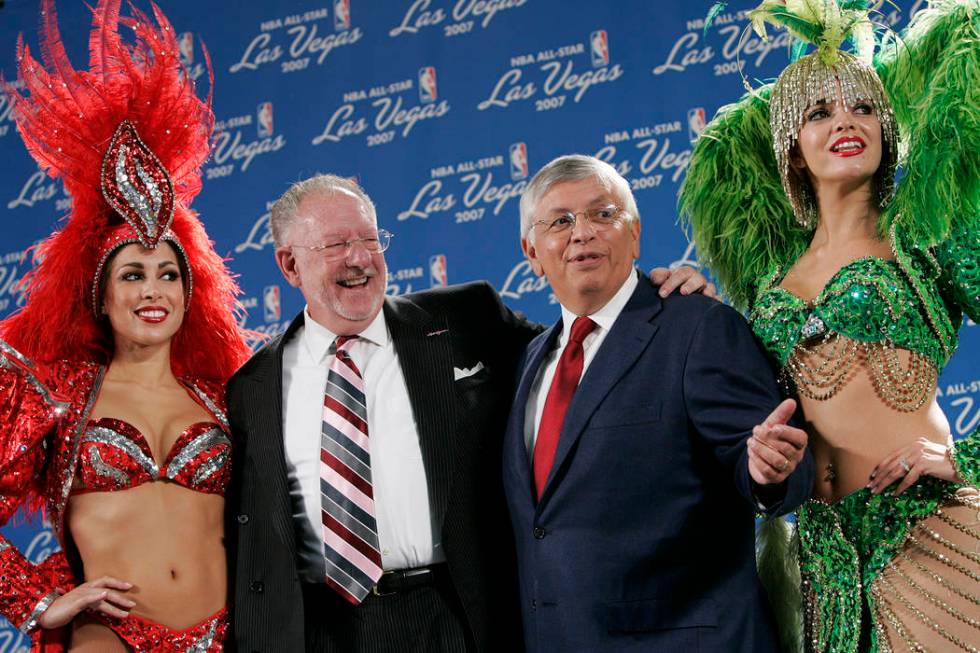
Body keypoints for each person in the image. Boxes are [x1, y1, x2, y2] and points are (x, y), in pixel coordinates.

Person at [225, 173, 714, 653]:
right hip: (323, 627)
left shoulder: (467, 318)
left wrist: (652, 303)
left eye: (370, 240)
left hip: (459, 615)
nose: (359, 259)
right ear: (289, 265)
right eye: (335, 245)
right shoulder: (251, 389)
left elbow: (583, 352)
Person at [681, 1, 980, 651]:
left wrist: (964, 458)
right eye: (820, 111)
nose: (845, 120)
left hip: (936, 540)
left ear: (887, 126)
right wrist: (685, 300)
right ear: (792, 146)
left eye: (863, 107)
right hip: (825, 576)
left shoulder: (929, 237)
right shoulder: (764, 286)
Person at [0, 1, 251, 650]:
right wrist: (41, 601)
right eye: (132, 275)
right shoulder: (54, 396)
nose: (153, 291)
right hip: (109, 639)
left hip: (224, 638)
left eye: (169, 274)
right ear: (100, 297)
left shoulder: (222, 397)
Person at [502, 154, 815, 653]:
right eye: (560, 222)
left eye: (603, 214)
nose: (582, 232)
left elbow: (770, 464)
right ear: (533, 253)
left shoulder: (698, 328)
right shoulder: (528, 362)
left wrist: (767, 471)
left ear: (635, 234)